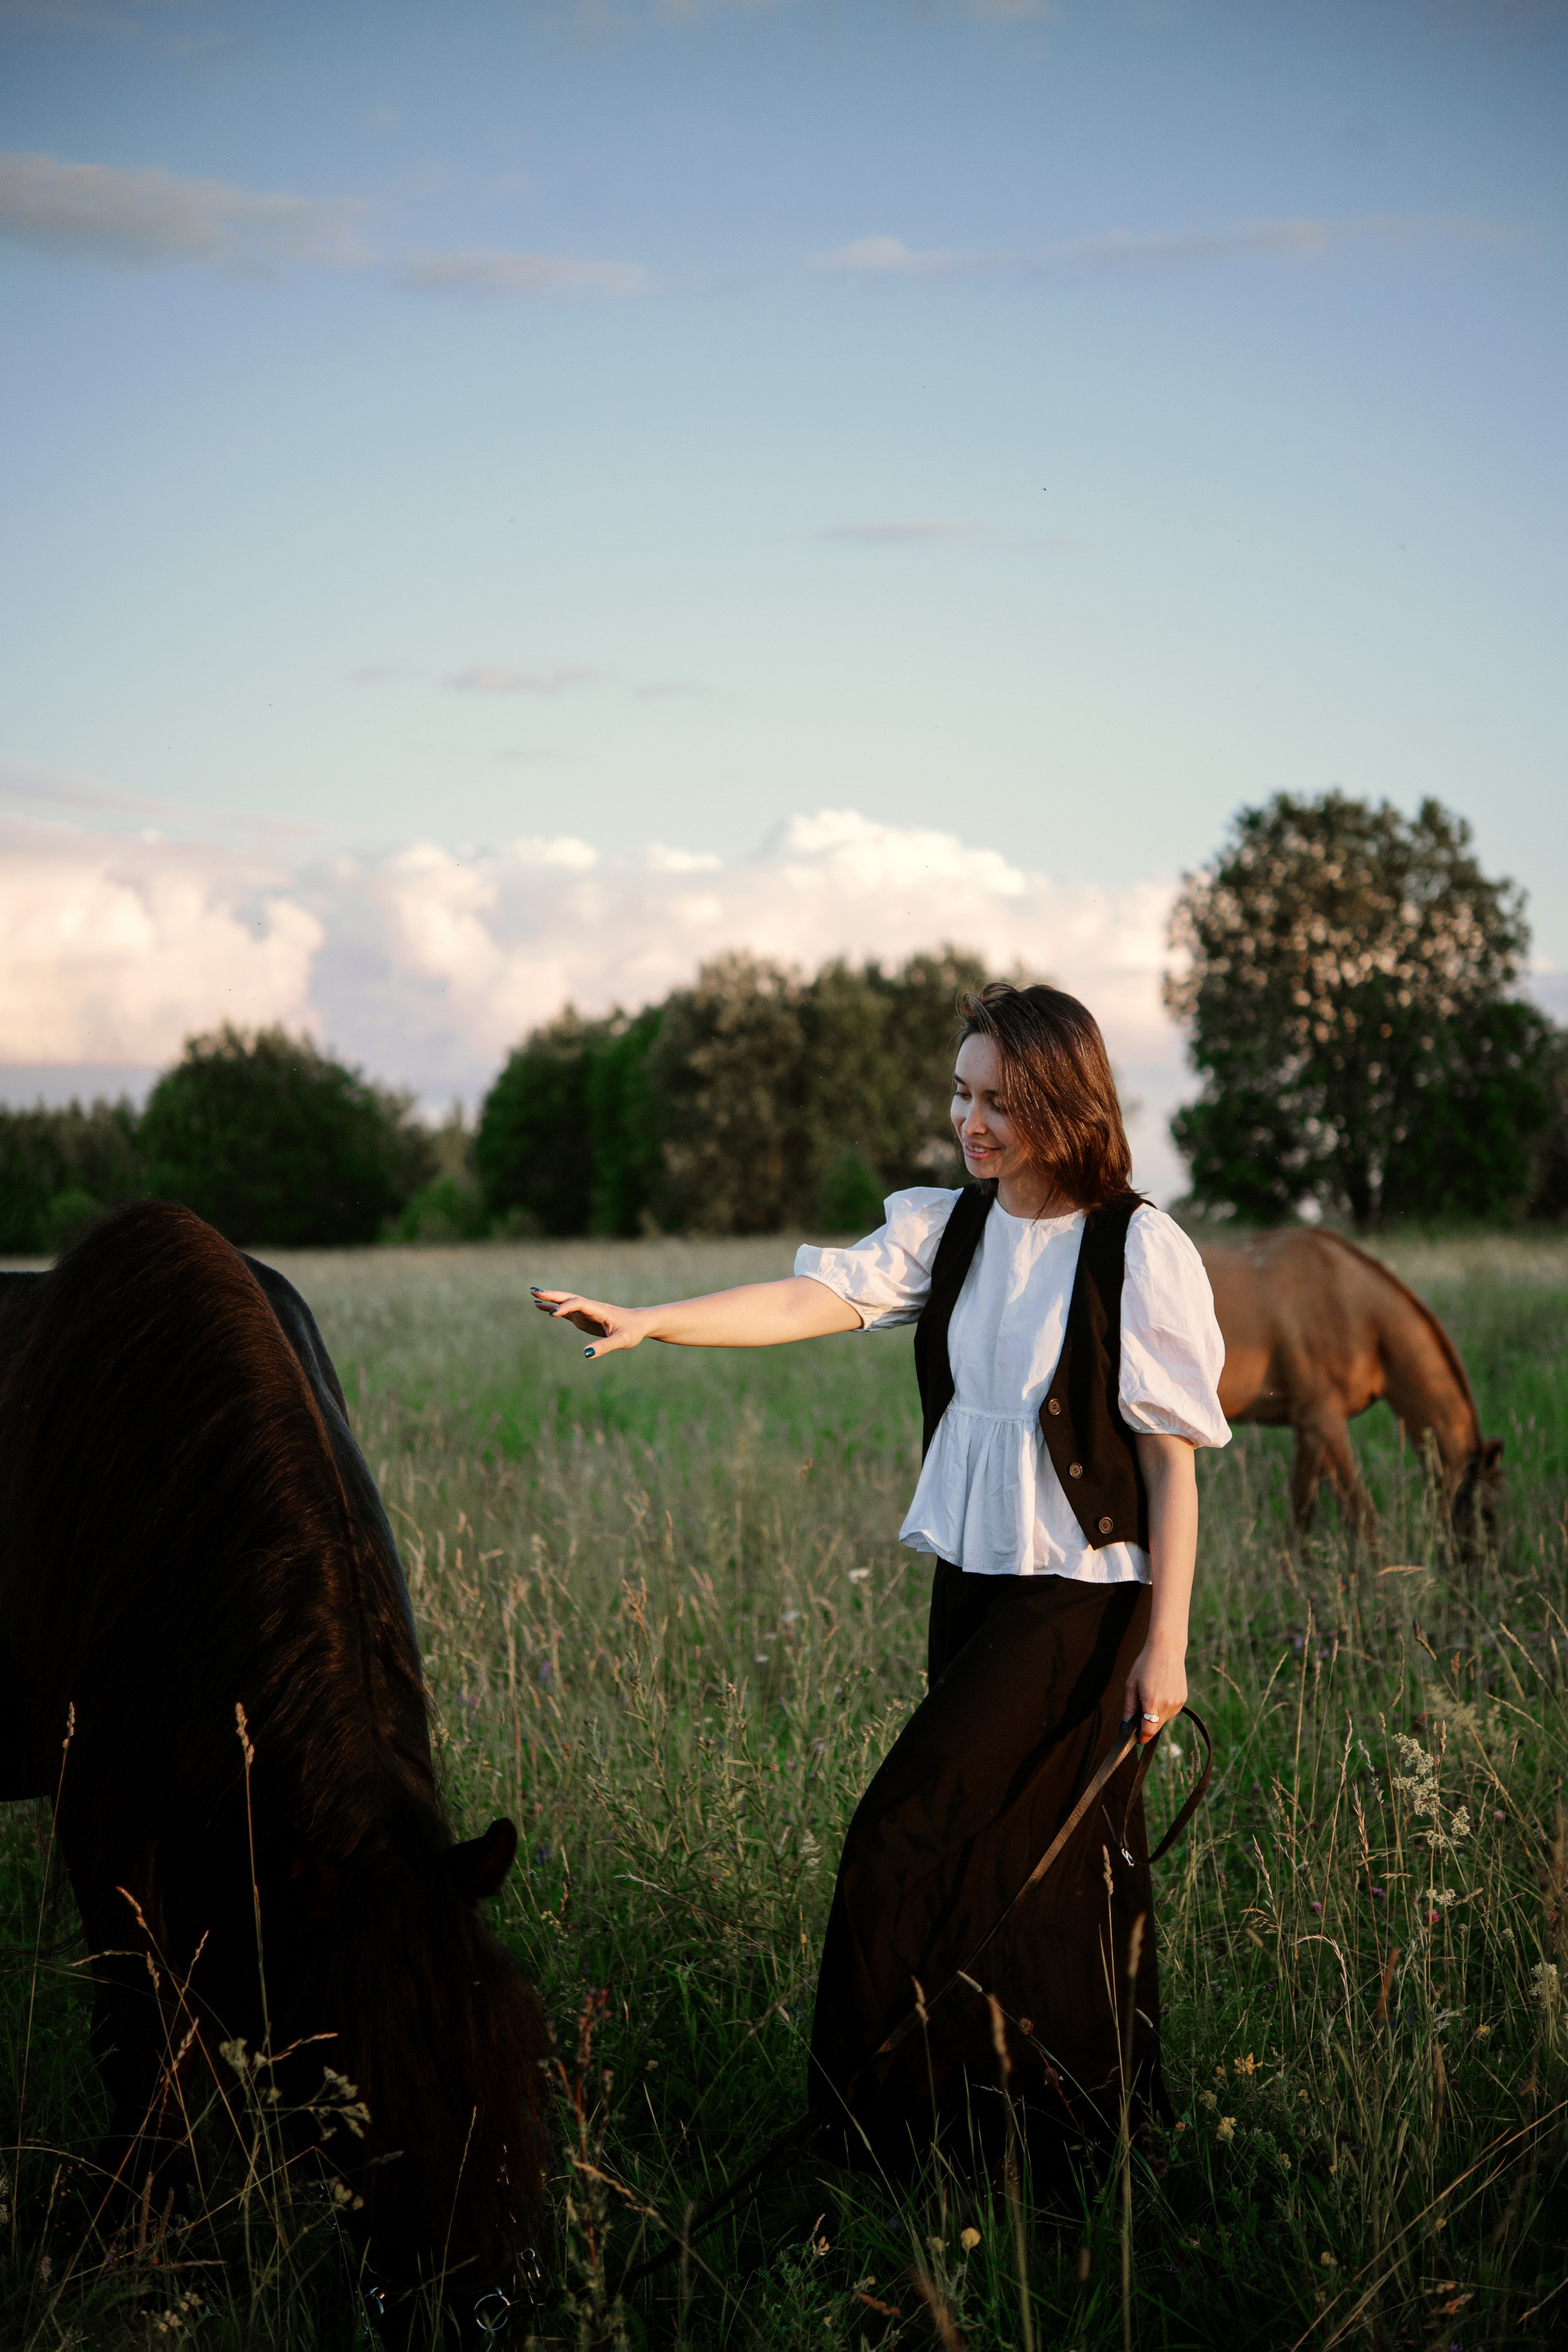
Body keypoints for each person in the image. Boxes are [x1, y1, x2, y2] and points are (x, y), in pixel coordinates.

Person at [532, 981, 1228, 2180]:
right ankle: (1023, 2142)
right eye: (961, 1095)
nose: (972, 1121)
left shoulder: (1135, 1247)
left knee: (901, 1840)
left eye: (999, 1102)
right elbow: (813, 1297)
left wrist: (1165, 1648)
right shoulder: (948, 1228)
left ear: (1064, 1103)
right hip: (971, 1585)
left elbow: (1170, 1468)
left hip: (1084, 1602)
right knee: (1017, 1865)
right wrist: (655, 1319)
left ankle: (856, 2143)